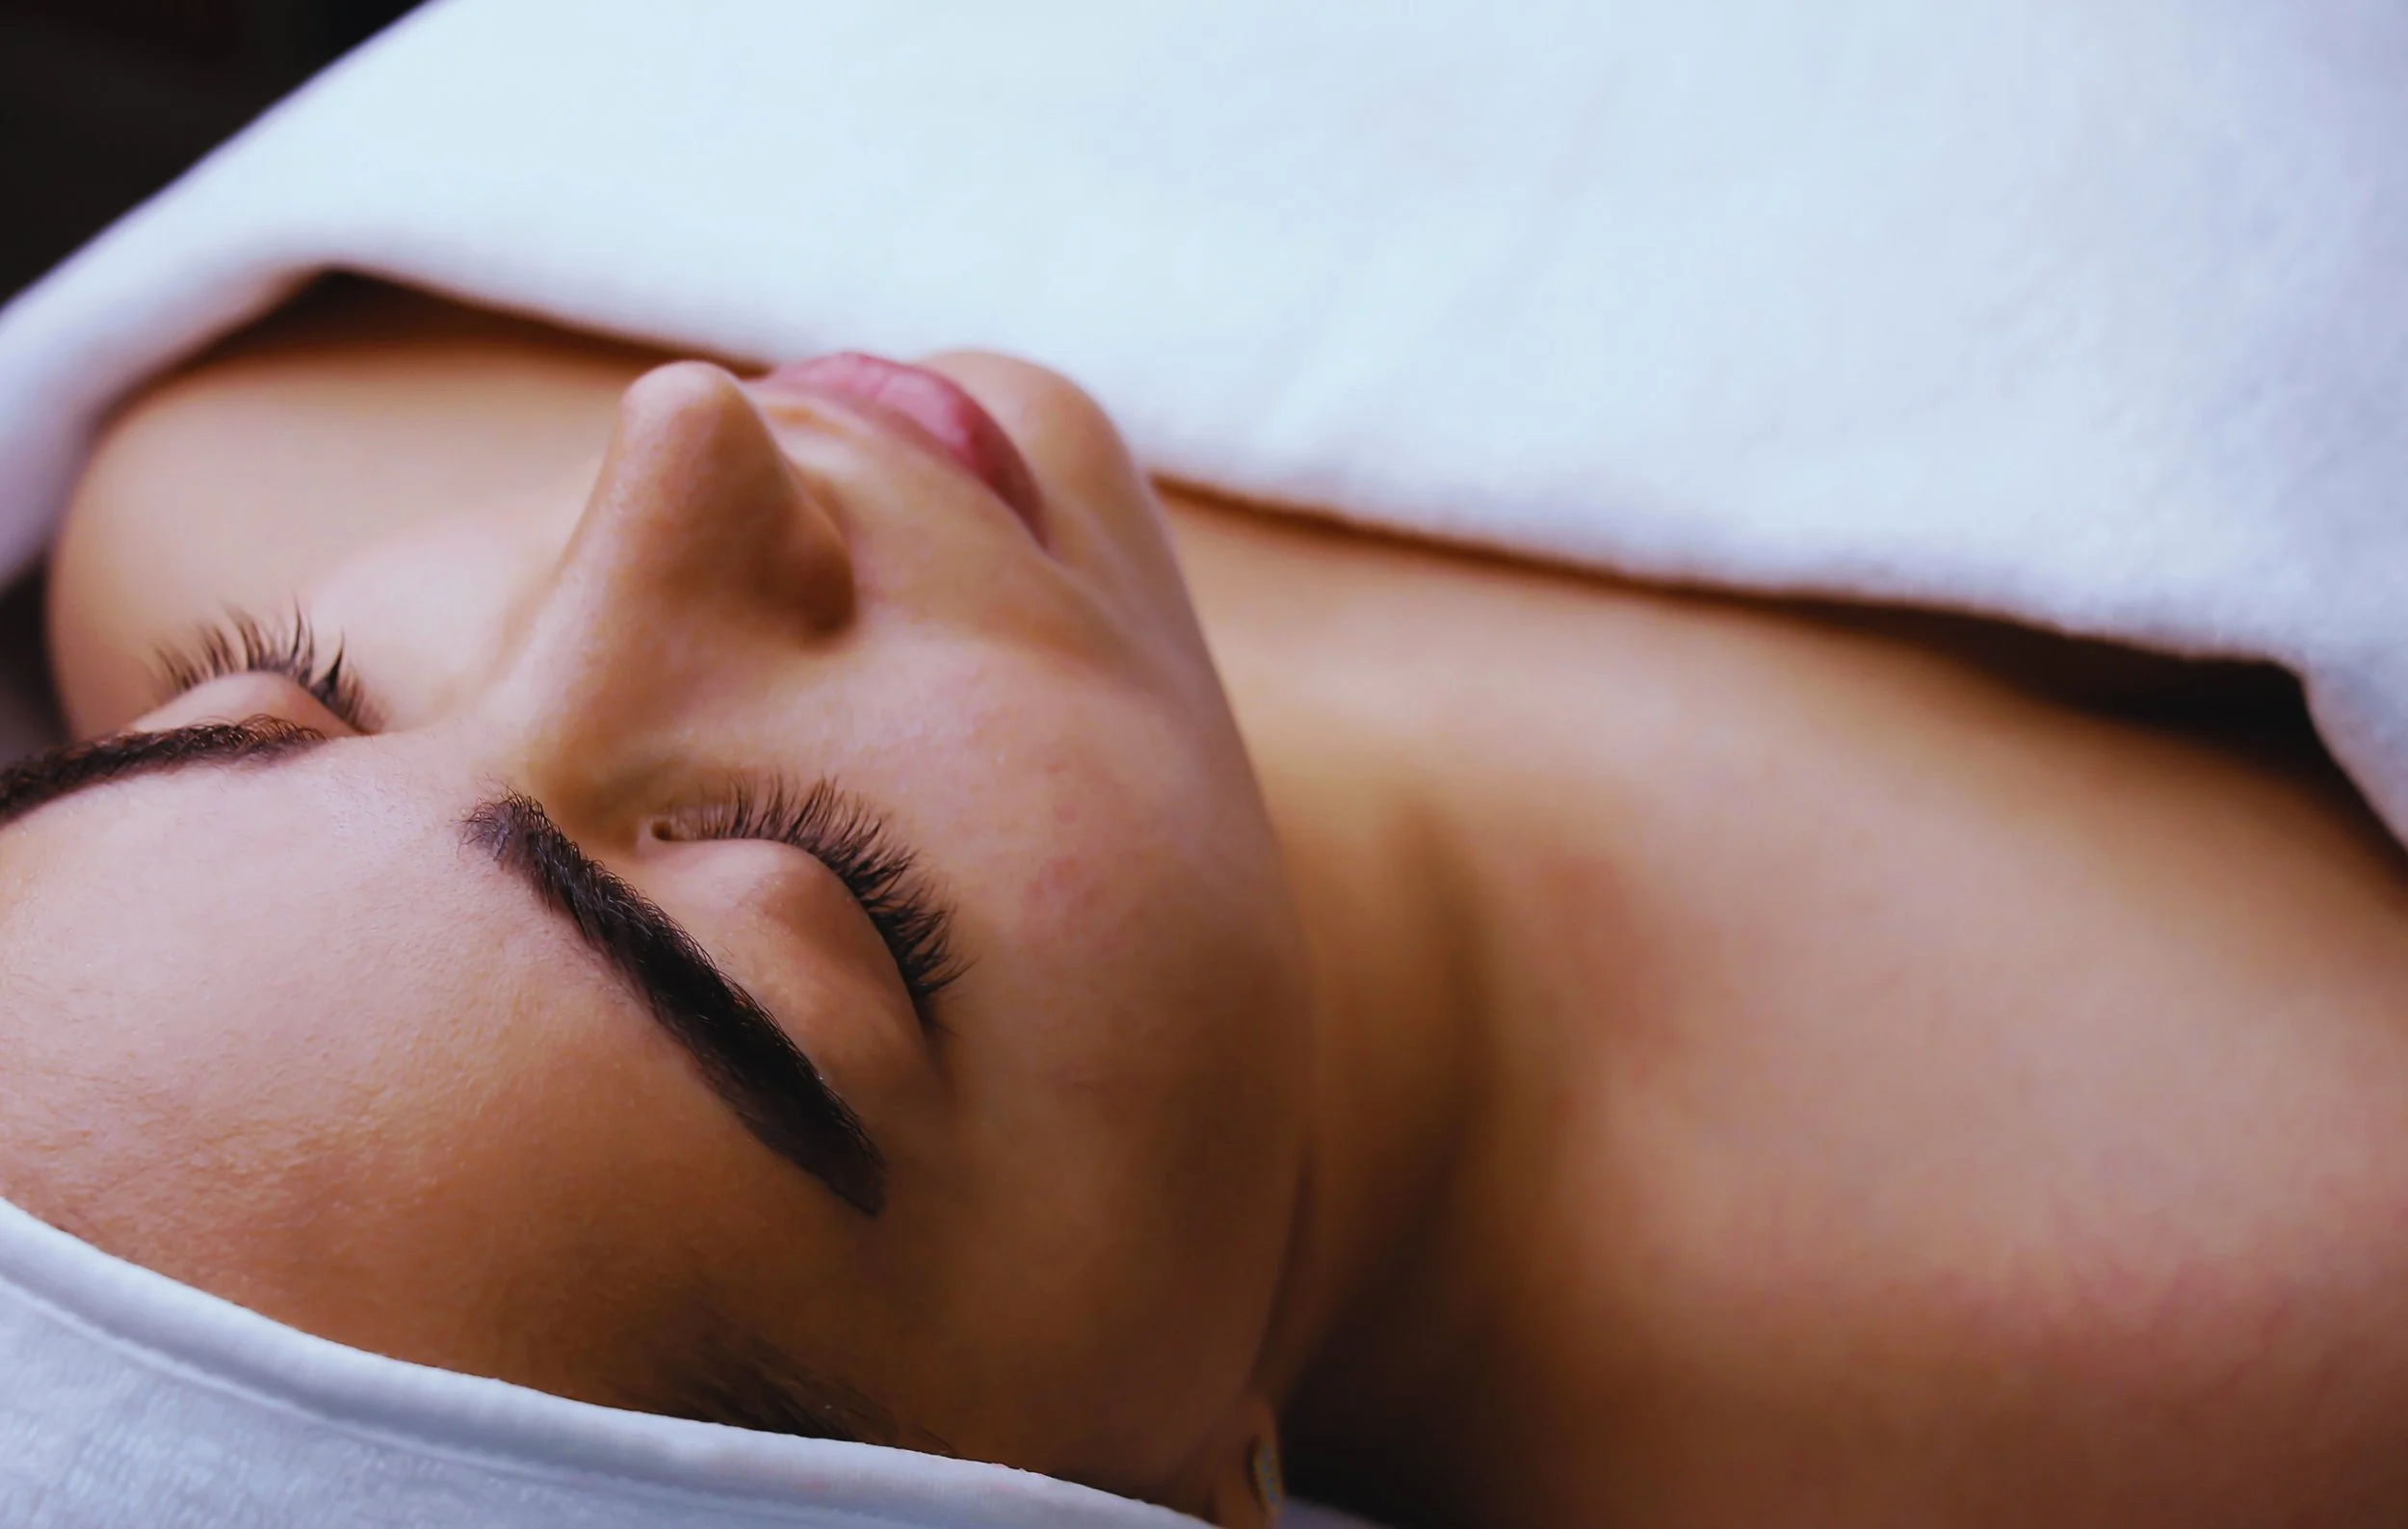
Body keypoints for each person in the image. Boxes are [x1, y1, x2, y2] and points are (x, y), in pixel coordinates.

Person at [2, 277, 2405, 1529]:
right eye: (794, 899)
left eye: (276, 703)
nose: (671, 449)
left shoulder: (254, 450)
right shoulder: (2267, 1283)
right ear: (1181, 1486)